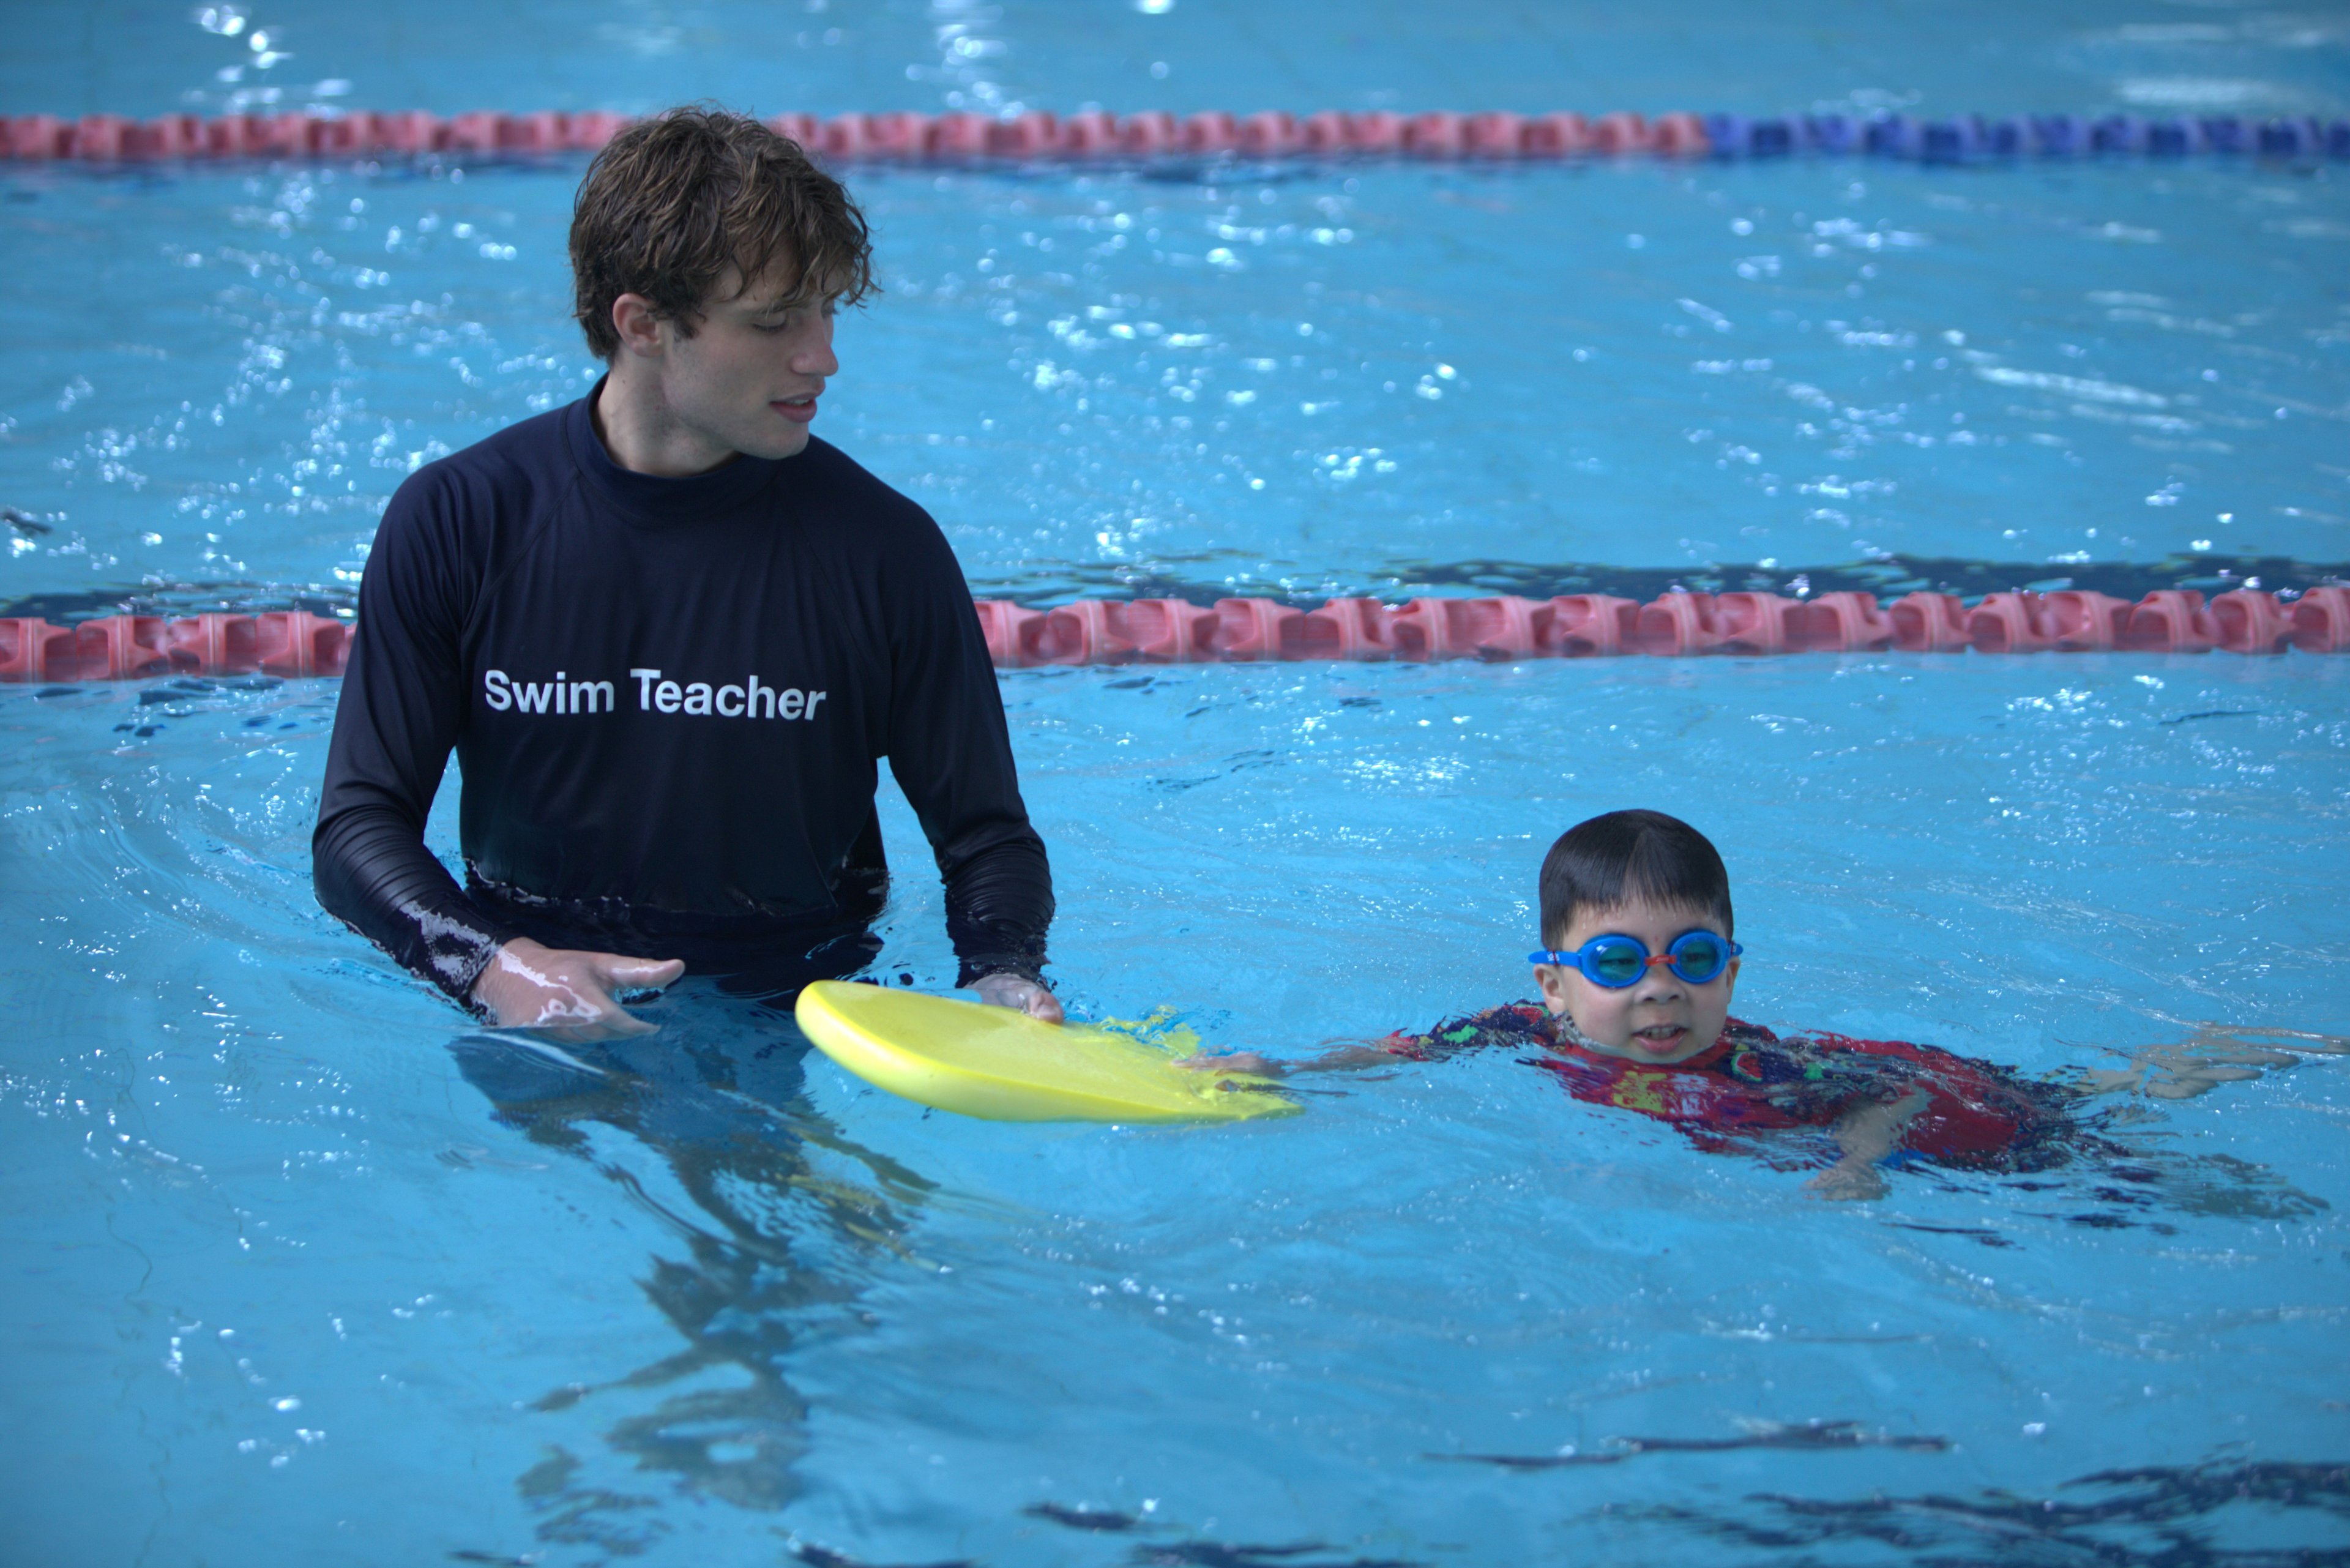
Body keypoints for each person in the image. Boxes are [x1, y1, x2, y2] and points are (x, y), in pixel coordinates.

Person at [313, 106, 1062, 1034]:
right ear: (644, 324)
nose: (822, 356)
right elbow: (359, 827)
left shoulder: (882, 550)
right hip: (535, 985)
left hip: (791, 993)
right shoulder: (462, 522)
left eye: (827, 309)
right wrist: (495, 968)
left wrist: (1002, 975)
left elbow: (985, 836)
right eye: (773, 321)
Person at [1204, 810, 2132, 1199]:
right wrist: (1285, 1068)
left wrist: (1860, 1163)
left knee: (2094, 1153)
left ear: (1730, 972)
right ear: (1554, 984)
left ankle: (2167, 1075)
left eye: (1693, 958)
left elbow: (1889, 1096)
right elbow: (1401, 1053)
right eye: (1615, 961)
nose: (1660, 986)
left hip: (1950, 1113)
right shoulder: (1519, 1031)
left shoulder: (1759, 1068)